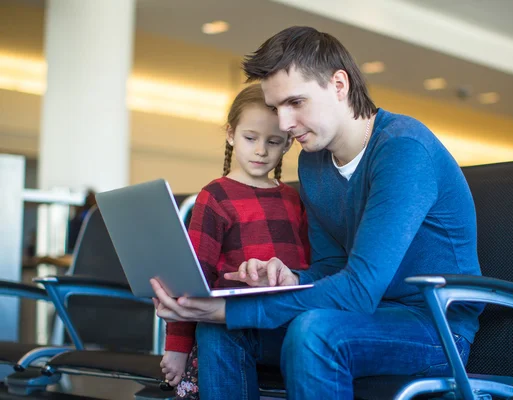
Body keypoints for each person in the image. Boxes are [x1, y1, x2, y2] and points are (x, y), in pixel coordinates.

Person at [151, 26, 483, 399]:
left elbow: (358, 290)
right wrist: (289, 277)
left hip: (432, 326)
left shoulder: (403, 150)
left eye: (296, 103)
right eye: (277, 108)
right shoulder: (314, 164)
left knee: (313, 332)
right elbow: (330, 267)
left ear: (339, 85)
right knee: (222, 329)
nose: (284, 124)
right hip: (361, 316)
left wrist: (231, 310)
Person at [158, 84, 310, 399]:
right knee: (216, 330)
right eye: (250, 138)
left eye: (273, 141)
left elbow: (309, 269)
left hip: (285, 323)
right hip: (230, 323)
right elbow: (193, 278)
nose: (261, 150)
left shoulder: (295, 200)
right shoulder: (215, 196)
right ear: (231, 134)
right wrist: (177, 346)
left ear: (288, 144)